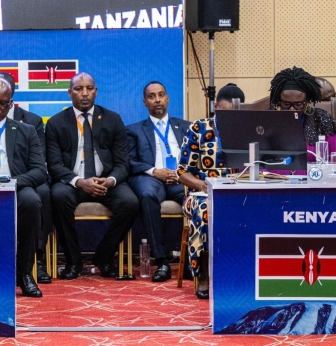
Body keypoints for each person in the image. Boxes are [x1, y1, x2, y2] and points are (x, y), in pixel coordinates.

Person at [46, 73, 137, 280]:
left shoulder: (113, 119)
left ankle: (103, 258)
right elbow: (54, 165)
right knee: (58, 197)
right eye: (78, 89)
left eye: (89, 88)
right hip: (73, 183)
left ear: (96, 91)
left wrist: (111, 180)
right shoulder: (56, 123)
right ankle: (73, 262)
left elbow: (123, 163)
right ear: (70, 93)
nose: (84, 93)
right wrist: (79, 182)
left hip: (105, 181)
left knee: (130, 202)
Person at [0, 70, 52, 284]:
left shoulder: (26, 130)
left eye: (2, 104)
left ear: (11, 104)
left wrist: (11, 183)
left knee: (32, 200)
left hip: (14, 184)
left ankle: (24, 273)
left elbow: (40, 171)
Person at [125, 81, 189, 282]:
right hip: (151, 178)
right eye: (152, 96)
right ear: (145, 102)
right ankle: (161, 261)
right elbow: (129, 162)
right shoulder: (133, 130)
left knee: (196, 197)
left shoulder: (186, 127)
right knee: (147, 196)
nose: (157, 100)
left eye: (161, 95)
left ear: (168, 99)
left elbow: (194, 157)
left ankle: (192, 259)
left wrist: (181, 173)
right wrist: (155, 171)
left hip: (180, 178)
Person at [177, 114, 229, 299]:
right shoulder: (199, 128)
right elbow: (181, 172)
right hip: (200, 195)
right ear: (217, 107)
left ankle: (241, 275)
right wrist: (202, 185)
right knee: (207, 209)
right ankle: (204, 276)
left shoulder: (245, 127)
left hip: (235, 193)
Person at [269, 67, 336, 161]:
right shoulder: (268, 120)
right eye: (286, 104)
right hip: (272, 176)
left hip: (314, 175)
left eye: (298, 104)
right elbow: (251, 161)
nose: (292, 109)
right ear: (278, 102)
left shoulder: (323, 119)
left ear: (307, 101)